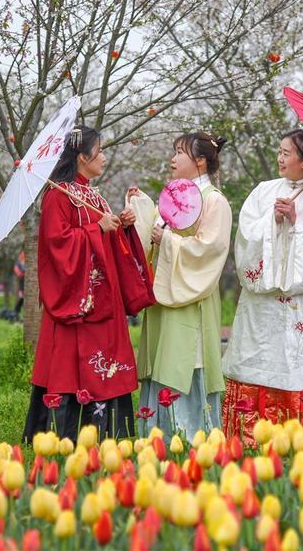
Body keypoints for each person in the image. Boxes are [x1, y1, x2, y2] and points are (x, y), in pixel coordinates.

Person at [22, 126, 146, 443]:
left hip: (104, 304)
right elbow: (56, 245)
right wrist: (97, 230)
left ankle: (107, 436)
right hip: (75, 305)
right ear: (82, 157)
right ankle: (64, 438)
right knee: (68, 368)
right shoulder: (57, 196)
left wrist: (120, 226)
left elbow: (108, 238)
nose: (103, 156)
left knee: (103, 367)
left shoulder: (95, 196)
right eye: (100, 150)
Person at [221, 125, 303, 444]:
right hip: (260, 304)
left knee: (293, 361)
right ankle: (245, 440)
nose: (280, 158)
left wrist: (298, 222)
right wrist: (270, 222)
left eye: (286, 153)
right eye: (279, 151)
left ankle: (297, 441)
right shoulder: (264, 190)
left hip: (296, 304)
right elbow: (245, 236)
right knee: (256, 357)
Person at [127, 131, 232, 438]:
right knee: (163, 356)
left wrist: (169, 241)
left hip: (190, 294)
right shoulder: (173, 194)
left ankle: (189, 435)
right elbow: (154, 234)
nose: (172, 158)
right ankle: (159, 434)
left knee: (187, 356)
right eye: (173, 152)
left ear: (200, 161)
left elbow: (210, 250)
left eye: (180, 153)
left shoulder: (214, 201)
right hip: (165, 290)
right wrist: (142, 206)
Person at [13, 251, 26, 318]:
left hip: (25, 282)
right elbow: (18, 272)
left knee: (23, 298)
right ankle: (16, 311)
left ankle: (17, 311)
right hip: (21, 283)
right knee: (21, 297)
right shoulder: (18, 263)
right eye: (22, 254)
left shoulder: (27, 262)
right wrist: (23, 274)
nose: (23, 255)